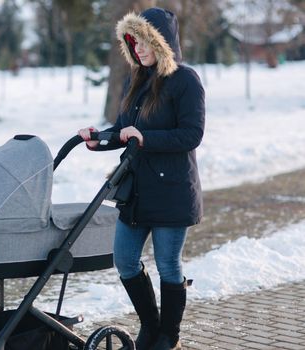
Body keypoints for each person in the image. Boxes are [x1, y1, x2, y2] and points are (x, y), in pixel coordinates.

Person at [78, 7, 205, 350]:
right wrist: (98, 139)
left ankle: (169, 336)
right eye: (133, 42)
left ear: (162, 42)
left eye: (146, 41)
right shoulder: (133, 81)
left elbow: (191, 135)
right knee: (125, 259)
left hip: (172, 189)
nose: (139, 49)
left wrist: (148, 139)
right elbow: (124, 131)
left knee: (167, 263)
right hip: (137, 190)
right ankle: (150, 326)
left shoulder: (185, 80)